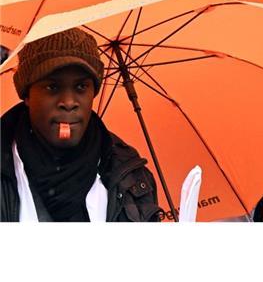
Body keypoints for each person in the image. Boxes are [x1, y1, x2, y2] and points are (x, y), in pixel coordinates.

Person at [2, 28, 160, 222]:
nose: (69, 102)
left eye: (81, 87)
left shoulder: (133, 177)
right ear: (27, 94)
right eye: (52, 87)